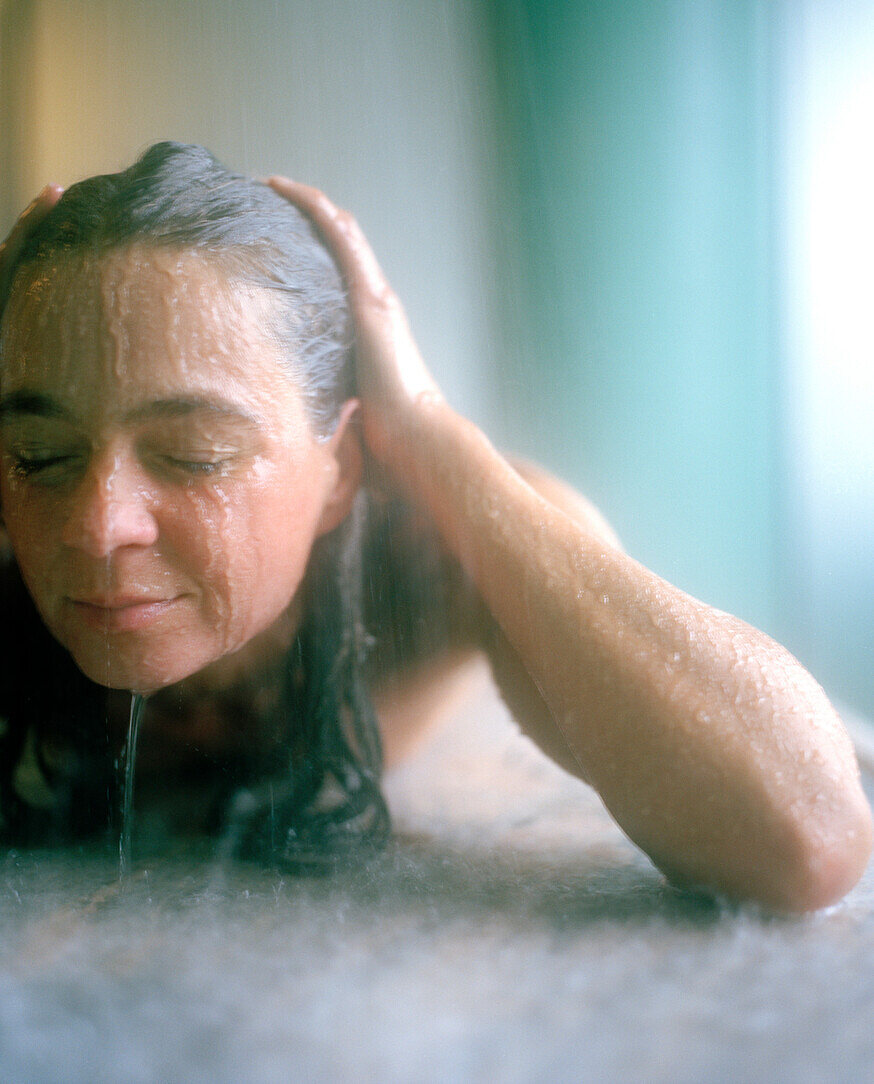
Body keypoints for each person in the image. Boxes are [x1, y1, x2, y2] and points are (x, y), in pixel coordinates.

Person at [0, 143, 869, 910]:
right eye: (39, 453)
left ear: (339, 468)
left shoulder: (434, 553)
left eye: (192, 453)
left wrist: (422, 426)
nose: (98, 526)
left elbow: (806, 839)